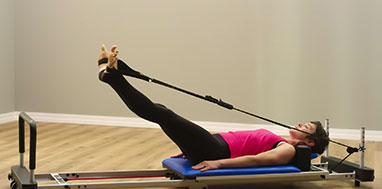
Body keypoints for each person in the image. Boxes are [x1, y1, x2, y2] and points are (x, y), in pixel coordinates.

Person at [98, 45, 329, 172]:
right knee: (161, 114)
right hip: (209, 144)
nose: (299, 124)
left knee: (162, 113)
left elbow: (255, 161)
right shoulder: (282, 142)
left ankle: (113, 77)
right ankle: (113, 77)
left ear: (310, 141)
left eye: (305, 126)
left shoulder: (286, 150)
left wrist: (217, 163)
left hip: (213, 150)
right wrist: (190, 147)